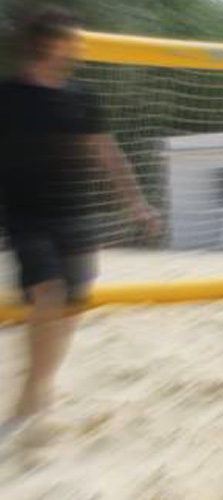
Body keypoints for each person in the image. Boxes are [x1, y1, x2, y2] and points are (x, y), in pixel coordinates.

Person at [0, 6, 160, 433]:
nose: (80, 45)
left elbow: (107, 154)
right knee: (47, 297)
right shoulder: (9, 94)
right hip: (26, 215)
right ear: (49, 42)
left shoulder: (81, 97)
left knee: (72, 306)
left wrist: (138, 204)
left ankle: (42, 384)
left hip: (75, 213)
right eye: (73, 38)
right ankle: (29, 398)